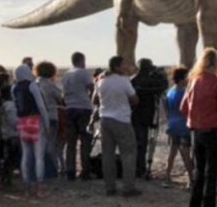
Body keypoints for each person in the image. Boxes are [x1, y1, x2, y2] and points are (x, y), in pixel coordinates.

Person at [181, 47, 217, 207]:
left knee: (199, 171)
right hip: (213, 130)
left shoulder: (193, 81)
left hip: (197, 131)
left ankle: (195, 203)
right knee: (211, 174)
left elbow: (184, 107)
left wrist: (194, 120)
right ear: (216, 63)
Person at [95, 55, 141, 197]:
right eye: (123, 65)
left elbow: (95, 99)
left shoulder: (101, 81)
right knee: (128, 153)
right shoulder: (124, 81)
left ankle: (110, 186)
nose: (126, 67)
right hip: (121, 119)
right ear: (116, 67)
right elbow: (135, 99)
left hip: (105, 119)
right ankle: (128, 187)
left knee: (107, 154)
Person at [12, 63, 50, 197]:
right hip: (35, 121)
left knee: (25, 155)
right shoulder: (32, 85)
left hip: (22, 122)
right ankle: (39, 187)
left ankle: (26, 186)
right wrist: (47, 123)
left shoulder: (14, 88)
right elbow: (41, 105)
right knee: (39, 156)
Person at [131, 58, 168, 178]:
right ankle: (141, 169)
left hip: (135, 115)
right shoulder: (152, 80)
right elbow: (164, 86)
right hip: (148, 115)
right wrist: (162, 74)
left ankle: (138, 167)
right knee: (142, 143)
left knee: (138, 143)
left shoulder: (133, 80)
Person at [61, 51, 94, 180]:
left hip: (69, 108)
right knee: (85, 141)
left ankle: (70, 170)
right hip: (83, 107)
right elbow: (92, 88)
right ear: (82, 61)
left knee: (71, 142)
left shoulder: (66, 74)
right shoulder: (83, 73)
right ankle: (85, 170)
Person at [34, 61, 64, 178]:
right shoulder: (50, 85)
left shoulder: (35, 84)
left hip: (38, 117)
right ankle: (52, 169)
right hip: (51, 115)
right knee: (51, 144)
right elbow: (59, 99)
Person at [164, 67, 193, 183]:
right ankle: (191, 177)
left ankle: (167, 175)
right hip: (183, 125)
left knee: (173, 151)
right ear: (181, 79)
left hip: (172, 124)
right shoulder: (184, 92)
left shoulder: (170, 91)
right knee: (186, 153)